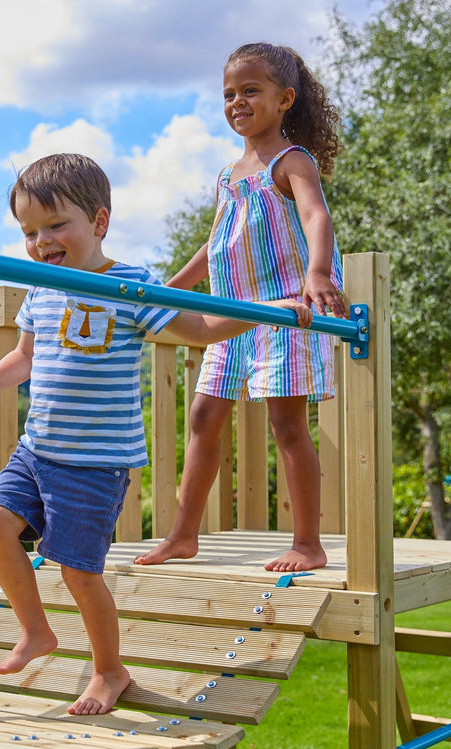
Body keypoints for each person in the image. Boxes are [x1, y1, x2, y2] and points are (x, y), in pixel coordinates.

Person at [0, 153, 312, 716]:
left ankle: (109, 671)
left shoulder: (132, 286)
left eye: (55, 225)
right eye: (29, 231)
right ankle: (36, 632)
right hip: (37, 447)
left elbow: (198, 330)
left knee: (78, 571)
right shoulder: (41, 289)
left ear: (99, 222)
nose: (41, 241)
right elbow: (24, 357)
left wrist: (269, 312)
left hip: (93, 460)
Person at [134, 42, 347, 572]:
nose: (237, 102)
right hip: (235, 317)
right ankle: (184, 535)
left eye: (250, 90)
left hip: (285, 312)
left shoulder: (292, 161)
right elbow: (215, 243)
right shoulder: (230, 175)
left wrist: (316, 274)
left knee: (287, 425)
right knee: (204, 415)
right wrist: (169, 290)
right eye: (229, 93)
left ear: (285, 99)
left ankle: (307, 544)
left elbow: (316, 216)